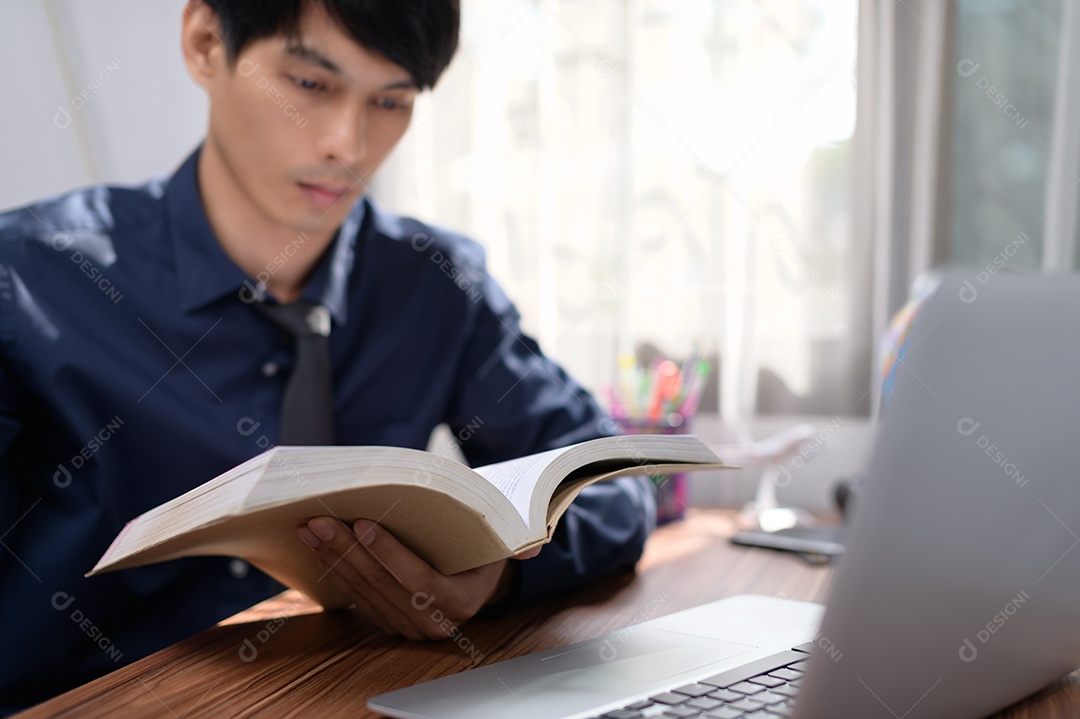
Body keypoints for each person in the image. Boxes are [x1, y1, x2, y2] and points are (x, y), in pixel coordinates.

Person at [0, 1, 656, 713]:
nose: (350, 143)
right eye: (310, 85)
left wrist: (497, 577)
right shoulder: (31, 279)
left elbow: (612, 484)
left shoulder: (437, 284)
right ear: (205, 43)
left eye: (391, 100)